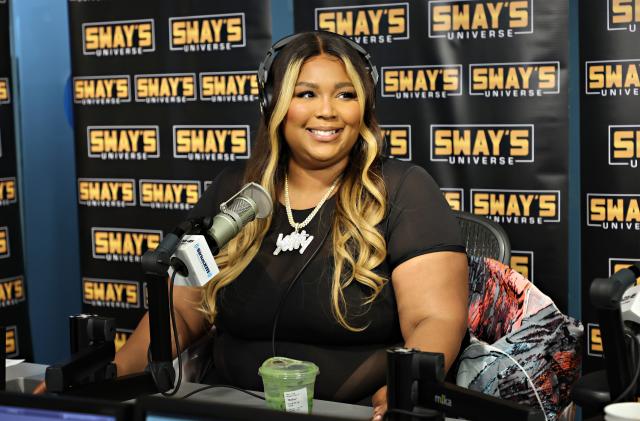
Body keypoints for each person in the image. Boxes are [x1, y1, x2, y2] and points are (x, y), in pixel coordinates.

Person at [59, 31, 470, 420]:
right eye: (305, 93)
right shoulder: (236, 193)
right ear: (272, 104)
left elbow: (434, 320)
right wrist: (110, 378)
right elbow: (183, 312)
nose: (327, 111)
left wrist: (401, 394)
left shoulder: (402, 190)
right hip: (227, 405)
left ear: (364, 106)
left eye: (345, 95)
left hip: (356, 410)